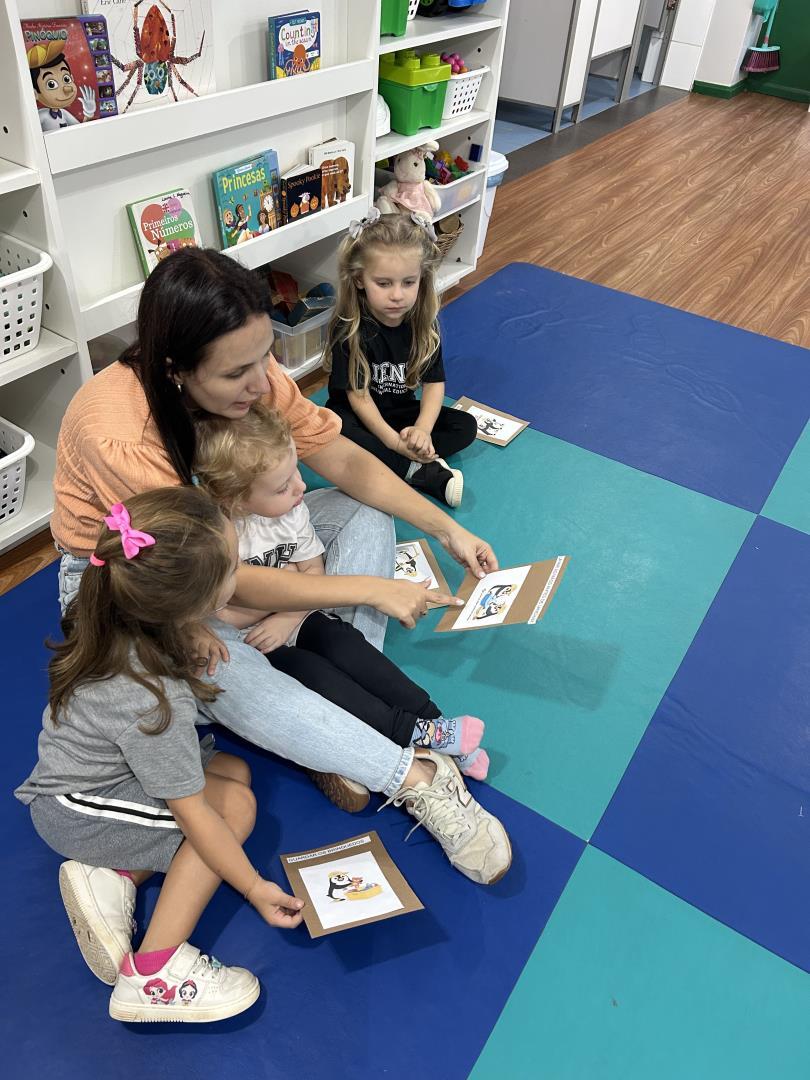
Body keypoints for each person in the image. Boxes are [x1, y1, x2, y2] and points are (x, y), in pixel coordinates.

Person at [50, 247, 509, 905]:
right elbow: (218, 580)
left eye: (264, 356)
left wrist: (445, 529)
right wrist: (370, 589)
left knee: (363, 514)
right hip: (139, 583)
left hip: (239, 536)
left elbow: (339, 458)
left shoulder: (253, 373)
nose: (261, 382)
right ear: (176, 370)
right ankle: (410, 773)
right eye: (237, 371)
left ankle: (341, 715)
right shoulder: (122, 435)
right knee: (214, 662)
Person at [14, 488, 305, 1023]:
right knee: (233, 809)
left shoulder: (116, 609)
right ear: (193, 603)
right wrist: (254, 887)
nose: (240, 569)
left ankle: (117, 875)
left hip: (95, 775)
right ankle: (152, 973)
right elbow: (195, 815)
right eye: (232, 568)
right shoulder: (154, 701)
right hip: (77, 807)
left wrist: (189, 629)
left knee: (234, 771)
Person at [194, 402, 489, 780]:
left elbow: (311, 573)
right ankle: (413, 734)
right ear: (234, 499)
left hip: (291, 615)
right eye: (283, 487)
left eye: (296, 470)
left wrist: (287, 614)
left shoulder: (290, 510)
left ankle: (435, 721)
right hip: (253, 643)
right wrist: (284, 593)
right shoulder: (216, 535)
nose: (301, 487)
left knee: (348, 646)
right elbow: (222, 612)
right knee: (317, 676)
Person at [323, 210, 478, 508]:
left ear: (422, 278)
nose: (397, 295)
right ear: (359, 279)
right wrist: (394, 442)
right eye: (384, 284)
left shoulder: (424, 324)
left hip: (399, 414)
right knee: (334, 425)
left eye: (408, 282)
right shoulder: (349, 327)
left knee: (465, 426)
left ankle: (399, 461)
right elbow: (358, 398)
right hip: (357, 415)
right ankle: (418, 470)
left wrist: (422, 431)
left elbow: (434, 384)